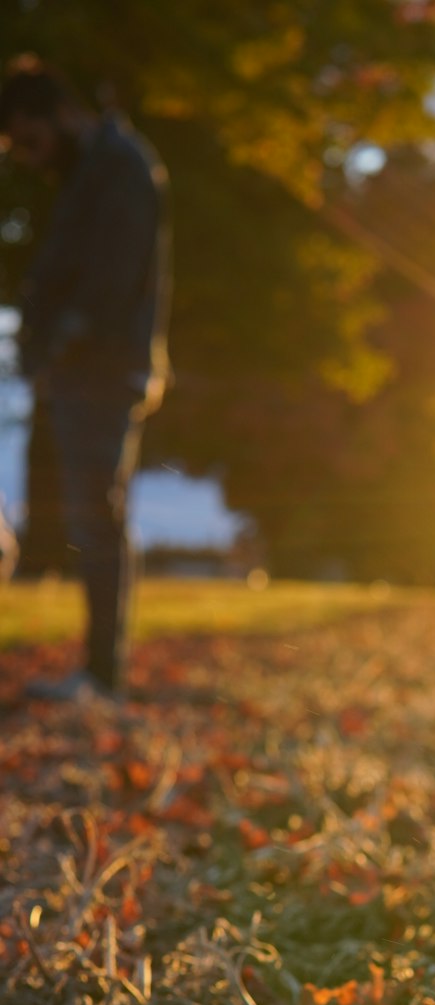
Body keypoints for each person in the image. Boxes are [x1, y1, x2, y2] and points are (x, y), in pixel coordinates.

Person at [0, 57, 170, 701]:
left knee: (96, 516)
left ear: (56, 114)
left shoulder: (119, 167)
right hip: (81, 368)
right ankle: (99, 671)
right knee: (85, 514)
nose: (29, 158)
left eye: (30, 141)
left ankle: (103, 674)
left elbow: (109, 277)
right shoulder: (89, 170)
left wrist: (60, 340)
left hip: (100, 367)